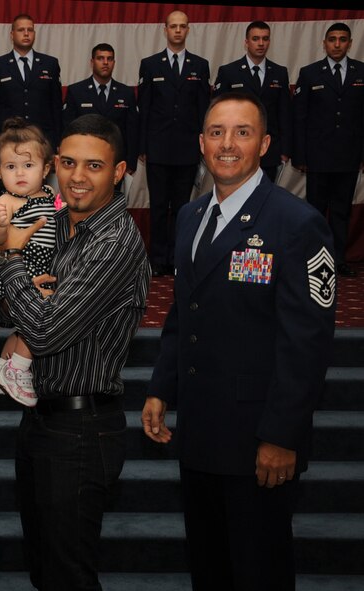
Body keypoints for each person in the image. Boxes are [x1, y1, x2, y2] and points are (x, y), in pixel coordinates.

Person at [142, 92, 336, 591]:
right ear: (201, 142)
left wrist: (281, 436)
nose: (227, 144)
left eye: (242, 133)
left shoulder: (297, 223)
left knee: (259, 573)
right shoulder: (191, 216)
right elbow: (185, 312)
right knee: (210, 571)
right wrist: (162, 387)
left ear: (264, 144)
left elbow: (307, 345)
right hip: (200, 433)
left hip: (258, 443)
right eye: (216, 132)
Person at [0, 113, 150, 590]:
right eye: (69, 162)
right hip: (40, 418)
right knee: (44, 569)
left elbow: (44, 332)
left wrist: (12, 260)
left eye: (94, 166)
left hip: (82, 430)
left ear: (118, 172)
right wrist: (21, 287)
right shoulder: (52, 223)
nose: (78, 176)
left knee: (68, 575)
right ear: (55, 163)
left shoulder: (115, 241)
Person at [0, 117, 56, 407]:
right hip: (19, 268)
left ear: (46, 169)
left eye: (28, 165)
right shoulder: (6, 202)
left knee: (23, 326)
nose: (20, 173)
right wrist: (1, 225)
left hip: (43, 266)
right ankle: (18, 368)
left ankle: (2, 368)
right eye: (11, 167)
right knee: (39, 316)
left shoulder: (51, 195)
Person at [138, 10, 211, 277]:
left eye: (182, 26)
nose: (178, 30)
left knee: (183, 208)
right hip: (157, 148)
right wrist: (142, 146)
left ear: (188, 30)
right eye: (173, 26)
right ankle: (158, 258)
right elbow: (144, 108)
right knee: (158, 206)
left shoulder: (200, 65)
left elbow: (204, 109)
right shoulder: (150, 64)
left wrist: (204, 144)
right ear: (165, 30)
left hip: (187, 149)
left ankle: (178, 257)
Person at [292, 22, 364, 277]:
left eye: (342, 39)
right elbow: (299, 117)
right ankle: (314, 259)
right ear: (324, 43)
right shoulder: (310, 73)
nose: (337, 44)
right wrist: (299, 155)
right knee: (315, 212)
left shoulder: (361, 72)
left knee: (342, 212)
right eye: (332, 39)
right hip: (317, 157)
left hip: (349, 156)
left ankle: (339, 259)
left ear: (350, 43)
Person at [213, 21, 292, 182]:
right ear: (246, 42)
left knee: (265, 194)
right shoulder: (229, 72)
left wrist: (285, 149)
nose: (261, 43)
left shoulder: (279, 73)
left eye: (265, 39)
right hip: (236, 148)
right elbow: (218, 113)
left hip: (269, 148)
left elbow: (284, 113)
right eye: (255, 39)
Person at [0, 13, 62, 151]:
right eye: (21, 30)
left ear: (34, 34)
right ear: (12, 35)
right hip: (7, 140)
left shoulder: (50, 64)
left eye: (30, 30)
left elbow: (56, 106)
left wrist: (58, 141)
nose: (26, 34)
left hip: (42, 140)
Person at [63, 43, 139, 178]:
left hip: (115, 162)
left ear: (114, 63)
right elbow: (68, 129)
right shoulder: (76, 91)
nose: (105, 63)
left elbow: (132, 131)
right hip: (83, 161)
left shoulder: (126, 93)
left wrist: (131, 163)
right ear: (92, 62)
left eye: (109, 59)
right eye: (100, 58)